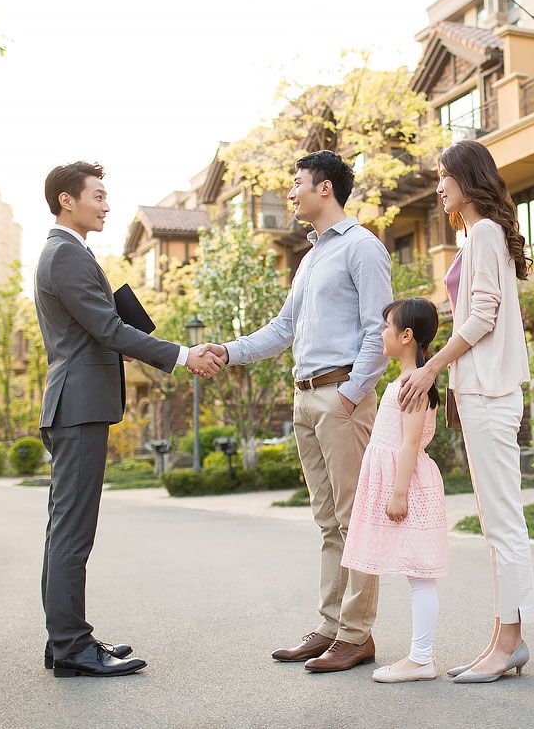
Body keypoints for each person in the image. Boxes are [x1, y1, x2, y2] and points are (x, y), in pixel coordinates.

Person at [201, 150, 392, 673]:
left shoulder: (362, 248)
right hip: (306, 397)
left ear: (324, 188)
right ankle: (331, 627)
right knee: (329, 521)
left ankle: (358, 634)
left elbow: (380, 329)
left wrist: (353, 392)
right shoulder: (310, 259)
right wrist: (227, 350)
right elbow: (284, 330)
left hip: (341, 397)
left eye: (297, 183)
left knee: (355, 520)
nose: (290, 193)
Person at [34, 161, 225, 678]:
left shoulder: (69, 253)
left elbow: (104, 328)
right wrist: (183, 354)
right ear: (66, 200)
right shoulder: (66, 255)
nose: (106, 204)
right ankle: (71, 645)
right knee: (73, 530)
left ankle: (66, 639)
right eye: (97, 195)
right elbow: (107, 328)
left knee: (66, 528)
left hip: (76, 404)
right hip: (77, 405)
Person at [399, 139, 534, 683]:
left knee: (504, 526)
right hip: (482, 392)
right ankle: (503, 641)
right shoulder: (479, 235)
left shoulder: (482, 233)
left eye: (443, 175)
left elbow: (479, 318)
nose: (437, 186)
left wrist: (430, 369)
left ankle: (508, 644)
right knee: (499, 524)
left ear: (466, 177)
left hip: (488, 392)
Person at [341, 298, 448, 683]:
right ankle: (421, 656)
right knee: (414, 572)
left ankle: (421, 658)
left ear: (406, 336)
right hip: (398, 481)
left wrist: (399, 491)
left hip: (409, 485)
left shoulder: (413, 384)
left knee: (420, 573)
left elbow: (410, 442)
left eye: (387, 327)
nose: (382, 334)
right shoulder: (404, 380)